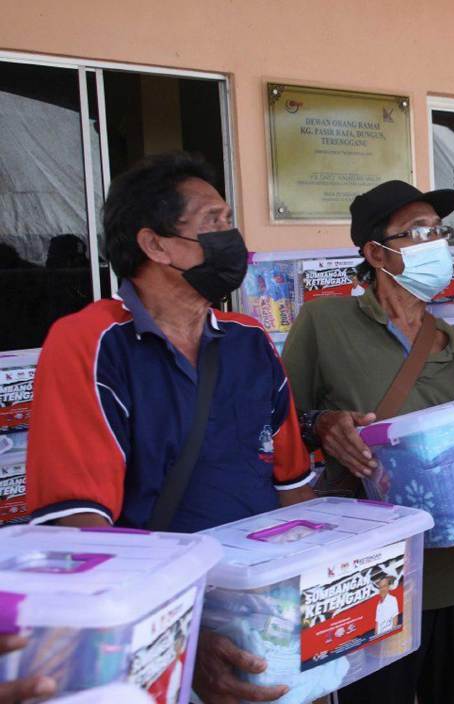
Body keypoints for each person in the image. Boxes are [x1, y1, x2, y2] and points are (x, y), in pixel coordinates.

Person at [24, 152, 316, 704]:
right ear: (156, 245)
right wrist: (184, 635)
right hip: (156, 647)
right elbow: (78, 531)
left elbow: (294, 493)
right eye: (215, 221)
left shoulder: (250, 339)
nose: (233, 238)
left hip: (263, 623)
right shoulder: (89, 343)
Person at [282, 179, 454, 704]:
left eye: (438, 230)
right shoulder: (324, 321)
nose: (435, 241)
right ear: (376, 253)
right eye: (416, 231)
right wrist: (323, 424)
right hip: (366, 573)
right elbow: (281, 426)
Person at [374, 569, 401, 635]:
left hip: (388, 636)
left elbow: (395, 618)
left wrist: (392, 635)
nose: (382, 589)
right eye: (380, 587)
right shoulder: (379, 604)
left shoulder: (392, 599)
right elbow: (377, 622)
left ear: (388, 587)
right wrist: (376, 637)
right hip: (380, 637)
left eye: (384, 586)